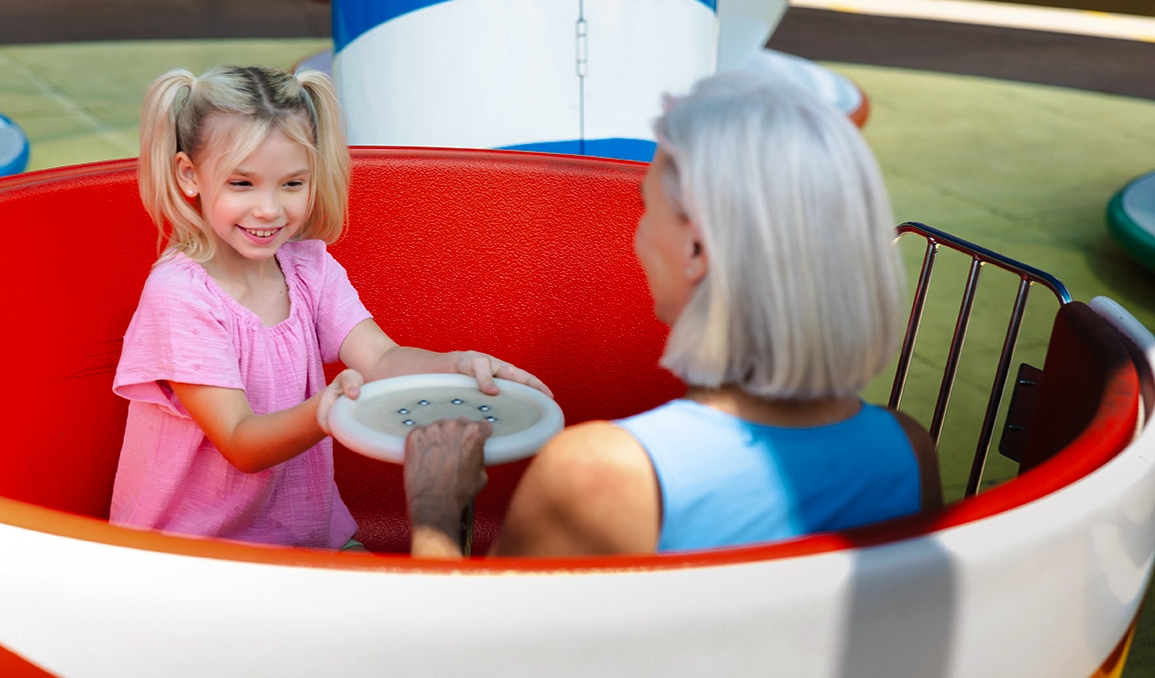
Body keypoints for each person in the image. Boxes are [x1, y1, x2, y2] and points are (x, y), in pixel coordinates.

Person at [404, 73, 942, 558]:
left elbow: (472, 653)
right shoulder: (909, 452)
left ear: (695, 251)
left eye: (646, 207)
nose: (637, 236)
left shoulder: (600, 473)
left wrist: (435, 513)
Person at [110, 65, 549, 550]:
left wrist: (456, 364)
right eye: (242, 184)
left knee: (402, 607)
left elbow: (381, 359)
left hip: (305, 532)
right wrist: (327, 408)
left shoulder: (308, 268)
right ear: (189, 175)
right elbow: (240, 441)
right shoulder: (181, 295)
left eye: (292, 184)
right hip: (193, 552)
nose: (270, 209)